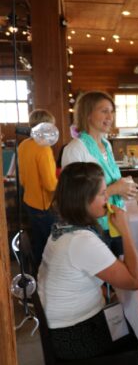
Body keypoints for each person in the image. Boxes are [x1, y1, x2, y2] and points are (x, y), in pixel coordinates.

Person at [37, 162, 138, 360]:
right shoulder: (81, 241)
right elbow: (134, 281)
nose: (107, 198)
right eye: (102, 193)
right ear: (84, 200)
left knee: (129, 312)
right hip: (76, 337)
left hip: (62, 331)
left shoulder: (62, 227)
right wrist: (126, 230)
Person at [61, 91, 137, 255]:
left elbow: (107, 182)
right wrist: (115, 189)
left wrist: (124, 188)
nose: (110, 117)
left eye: (112, 111)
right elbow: (73, 201)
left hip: (114, 223)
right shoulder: (75, 149)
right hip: (92, 229)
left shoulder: (107, 145)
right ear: (87, 114)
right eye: (104, 111)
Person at [18, 109, 58, 267]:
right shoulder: (43, 148)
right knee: (48, 244)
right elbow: (49, 183)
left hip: (28, 198)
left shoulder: (23, 145)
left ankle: (36, 274)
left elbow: (22, 176)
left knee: (38, 240)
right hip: (43, 204)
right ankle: (44, 276)